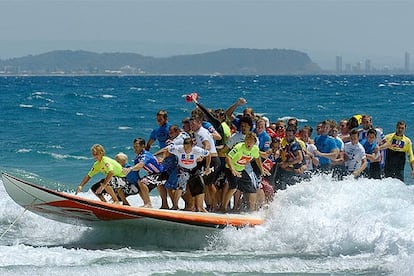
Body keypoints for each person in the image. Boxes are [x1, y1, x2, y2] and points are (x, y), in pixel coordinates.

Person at [220, 132, 268, 213]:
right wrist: (233, 170)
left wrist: (262, 169)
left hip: (241, 169)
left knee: (252, 189)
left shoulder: (255, 149)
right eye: (247, 141)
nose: (248, 143)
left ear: (254, 142)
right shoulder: (239, 147)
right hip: (230, 168)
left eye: (250, 142)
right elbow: (228, 158)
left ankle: (251, 211)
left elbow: (257, 158)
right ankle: (223, 207)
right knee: (233, 187)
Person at [167, 137, 211, 212]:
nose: (186, 149)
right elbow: (169, 148)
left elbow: (208, 154)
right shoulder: (178, 149)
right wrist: (171, 143)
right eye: (184, 147)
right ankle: (175, 206)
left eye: (187, 147)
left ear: (192, 146)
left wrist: (207, 167)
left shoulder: (197, 150)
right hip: (183, 170)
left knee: (200, 187)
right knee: (180, 186)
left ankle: (200, 207)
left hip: (194, 170)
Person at [123, 138, 166, 208]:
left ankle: (148, 204)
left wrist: (130, 169)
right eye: (134, 146)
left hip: (163, 174)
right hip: (155, 175)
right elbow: (136, 171)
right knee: (139, 184)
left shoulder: (145, 155)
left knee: (142, 182)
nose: (135, 148)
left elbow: (141, 165)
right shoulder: (137, 158)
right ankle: (150, 204)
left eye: (137, 146)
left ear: (143, 146)